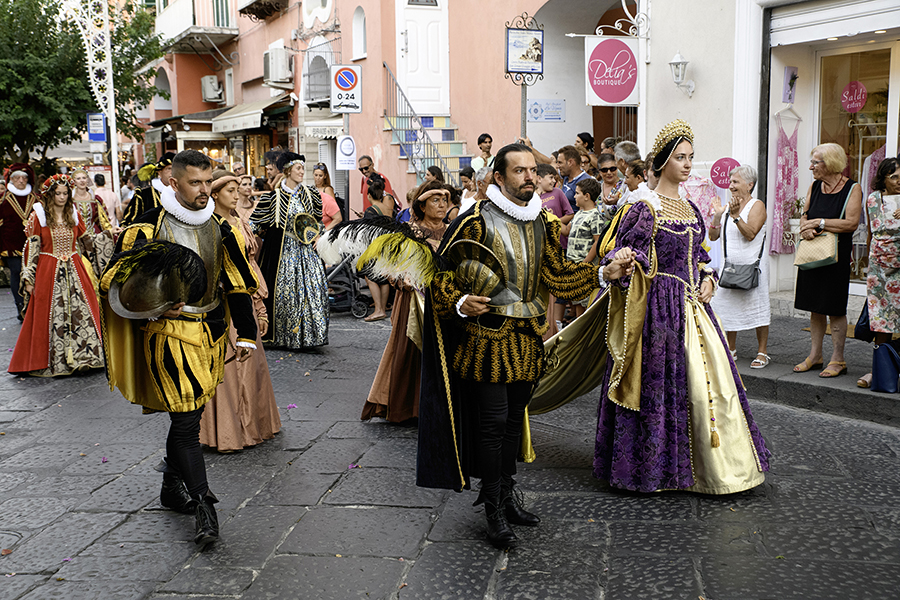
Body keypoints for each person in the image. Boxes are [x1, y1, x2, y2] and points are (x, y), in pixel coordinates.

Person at [417, 143, 613, 549]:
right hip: (485, 339)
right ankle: (492, 509)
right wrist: (457, 301)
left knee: (511, 426)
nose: (529, 176)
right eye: (519, 170)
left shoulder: (541, 219)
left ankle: (506, 498)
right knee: (491, 426)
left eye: (532, 170)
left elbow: (558, 275)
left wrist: (603, 272)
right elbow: (440, 276)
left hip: (526, 339)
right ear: (499, 178)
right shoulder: (473, 219)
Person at [594, 119, 770, 495]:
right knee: (658, 388)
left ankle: (708, 468)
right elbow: (625, 253)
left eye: (690, 157)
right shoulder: (644, 207)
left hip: (693, 310)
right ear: (661, 162)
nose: (688, 164)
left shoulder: (691, 207)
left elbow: (703, 258)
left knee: (705, 390)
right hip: (657, 311)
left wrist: (709, 279)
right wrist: (622, 259)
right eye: (680, 157)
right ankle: (654, 470)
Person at [99, 149, 259, 546]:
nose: (204, 190)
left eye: (208, 182)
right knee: (187, 421)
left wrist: (245, 334)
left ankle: (172, 486)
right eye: (195, 183)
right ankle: (205, 506)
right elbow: (113, 281)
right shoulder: (147, 227)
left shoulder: (221, 227)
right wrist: (151, 305)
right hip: (168, 335)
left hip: (210, 332)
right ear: (174, 182)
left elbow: (238, 282)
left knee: (188, 417)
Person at [200, 172, 280, 451]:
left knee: (251, 364)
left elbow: (251, 268)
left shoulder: (241, 223)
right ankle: (227, 430)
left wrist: (260, 307)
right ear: (215, 194)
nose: (237, 195)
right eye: (230, 190)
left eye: (238, 190)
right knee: (230, 368)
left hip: (246, 298)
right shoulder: (208, 225)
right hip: (223, 304)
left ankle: (253, 425)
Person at [362, 181, 449, 423]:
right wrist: (405, 278)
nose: (442, 205)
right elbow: (391, 268)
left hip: (444, 301)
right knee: (410, 352)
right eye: (436, 200)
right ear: (422, 205)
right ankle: (409, 407)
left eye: (445, 200)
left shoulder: (452, 230)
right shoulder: (409, 231)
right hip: (412, 302)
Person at [8, 175, 104, 376]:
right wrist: (28, 278)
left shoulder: (74, 214)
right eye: (58, 193)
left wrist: (109, 237)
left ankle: (84, 356)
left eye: (65, 193)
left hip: (75, 268)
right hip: (48, 268)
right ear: (50, 195)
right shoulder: (39, 216)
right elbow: (32, 248)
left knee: (82, 312)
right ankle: (52, 360)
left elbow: (87, 242)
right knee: (49, 313)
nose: (62, 197)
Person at [793, 142, 863, 377]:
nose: (811, 166)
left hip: (835, 256)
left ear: (831, 163)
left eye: (815, 162)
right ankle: (815, 355)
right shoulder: (815, 186)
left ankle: (838, 359)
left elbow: (851, 223)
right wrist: (805, 228)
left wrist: (820, 223)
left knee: (834, 308)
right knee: (815, 307)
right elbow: (805, 216)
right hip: (813, 253)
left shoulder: (852, 189)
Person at [251, 152, 329, 349]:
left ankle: (310, 337)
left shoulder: (311, 195)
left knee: (313, 291)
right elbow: (256, 223)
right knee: (285, 294)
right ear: (287, 170)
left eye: (303, 168)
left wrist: (319, 236)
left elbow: (318, 222)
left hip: (307, 252)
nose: (303, 172)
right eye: (299, 168)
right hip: (282, 252)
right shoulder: (273, 198)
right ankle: (284, 337)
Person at [709, 165, 771, 368]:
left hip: (753, 267)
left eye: (735, 182)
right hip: (731, 267)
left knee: (758, 307)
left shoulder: (757, 205)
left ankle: (762, 352)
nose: (731, 186)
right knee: (726, 308)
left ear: (749, 184)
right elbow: (713, 236)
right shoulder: (728, 207)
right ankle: (731, 349)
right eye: (731, 181)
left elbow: (750, 233)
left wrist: (735, 217)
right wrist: (718, 215)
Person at [857, 157, 900, 389]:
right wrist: (868, 260)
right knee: (881, 320)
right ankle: (880, 372)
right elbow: (872, 232)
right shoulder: (873, 199)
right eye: (894, 177)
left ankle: (895, 369)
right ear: (883, 179)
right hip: (880, 269)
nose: (899, 182)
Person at [0, 164, 40, 319]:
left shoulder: (36, 199)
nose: (21, 181)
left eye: (24, 178)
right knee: (17, 273)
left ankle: (32, 306)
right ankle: (20, 306)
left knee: (33, 274)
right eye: (17, 178)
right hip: (12, 245)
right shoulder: (4, 200)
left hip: (34, 244)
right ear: (12, 180)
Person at [563, 178, 604, 318]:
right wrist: (551, 219)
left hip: (584, 267)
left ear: (587, 196)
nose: (574, 196)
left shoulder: (595, 216)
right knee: (577, 302)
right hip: (573, 265)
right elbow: (567, 230)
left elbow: (597, 242)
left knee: (584, 305)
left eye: (577, 193)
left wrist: (585, 262)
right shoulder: (579, 214)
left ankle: (583, 336)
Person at [362, 173, 394, 322]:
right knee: (384, 278)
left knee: (370, 277)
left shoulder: (370, 211)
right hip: (387, 245)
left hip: (375, 247)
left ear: (369, 195)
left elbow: (367, 232)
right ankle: (382, 308)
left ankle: (378, 309)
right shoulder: (387, 208)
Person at [121, 152, 175, 227]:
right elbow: (130, 223)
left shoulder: (184, 194)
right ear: (159, 172)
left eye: (175, 169)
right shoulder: (143, 195)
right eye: (169, 169)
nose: (172, 172)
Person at [71, 168, 112, 235]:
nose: (82, 181)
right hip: (75, 235)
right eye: (78, 179)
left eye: (84, 178)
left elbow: (102, 219)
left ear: (87, 180)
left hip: (93, 235)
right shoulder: (69, 199)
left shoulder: (95, 199)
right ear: (74, 182)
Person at [558, 145, 591, 213]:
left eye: (560, 162)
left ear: (570, 162)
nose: (558, 166)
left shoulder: (585, 181)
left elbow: (583, 212)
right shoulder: (565, 176)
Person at [313, 163, 342, 231]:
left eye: (320, 176)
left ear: (325, 176)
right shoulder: (313, 189)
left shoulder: (327, 189)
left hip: (327, 228)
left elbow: (334, 210)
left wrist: (325, 230)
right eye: (316, 175)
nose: (317, 178)